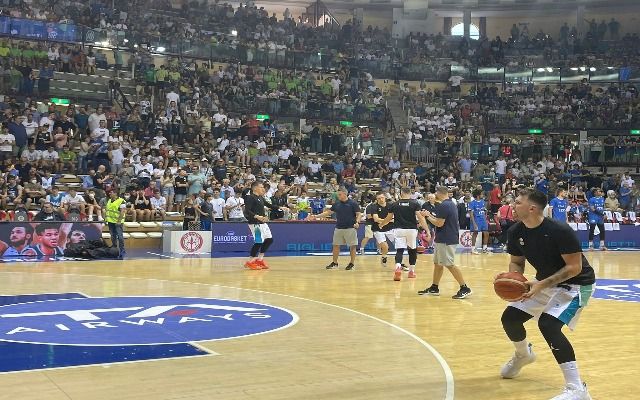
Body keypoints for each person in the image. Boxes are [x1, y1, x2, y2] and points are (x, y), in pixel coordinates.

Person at [500, 188, 595, 400]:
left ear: (532, 208)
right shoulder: (515, 231)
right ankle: (524, 355)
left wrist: (541, 284)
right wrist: (515, 280)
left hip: (577, 284)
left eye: (518, 202)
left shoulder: (559, 230)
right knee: (510, 318)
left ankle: (577, 389)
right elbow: (516, 262)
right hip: (545, 282)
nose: (513, 205)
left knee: (548, 325)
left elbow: (574, 268)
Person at [419, 186, 472, 299]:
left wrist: (427, 216)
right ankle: (434, 287)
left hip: (447, 239)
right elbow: (440, 220)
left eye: (435, 193)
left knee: (449, 264)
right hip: (443, 237)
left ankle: (464, 288)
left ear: (439, 193)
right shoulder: (450, 204)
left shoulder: (444, 205)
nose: (435, 195)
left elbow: (439, 223)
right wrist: (429, 215)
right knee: (438, 264)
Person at [309, 187, 361, 271]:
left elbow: (358, 214)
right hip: (339, 227)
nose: (338, 196)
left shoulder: (353, 203)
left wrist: (357, 222)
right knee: (336, 245)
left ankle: (352, 263)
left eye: (340, 194)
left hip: (350, 228)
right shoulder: (337, 204)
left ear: (345, 194)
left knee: (352, 246)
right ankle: (335, 263)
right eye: (338, 195)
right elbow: (328, 212)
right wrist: (315, 216)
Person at [387, 187, 430, 281]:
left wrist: (382, 224)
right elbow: (421, 218)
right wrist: (427, 230)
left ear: (401, 193)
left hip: (398, 229)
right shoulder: (415, 203)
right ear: (410, 193)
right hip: (411, 230)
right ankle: (411, 272)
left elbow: (389, 218)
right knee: (412, 250)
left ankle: (398, 267)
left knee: (399, 250)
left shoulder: (395, 204)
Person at [243, 181, 286, 270]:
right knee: (259, 242)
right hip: (255, 223)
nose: (263, 189)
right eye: (261, 187)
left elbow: (269, 205)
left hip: (263, 223)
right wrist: (257, 216)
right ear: (255, 188)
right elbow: (247, 210)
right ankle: (250, 262)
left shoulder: (260, 197)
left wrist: (280, 207)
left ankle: (260, 259)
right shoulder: (250, 197)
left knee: (269, 240)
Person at [371, 192, 396, 266]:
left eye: (382, 198)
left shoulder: (390, 206)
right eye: (379, 198)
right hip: (378, 229)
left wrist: (386, 221)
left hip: (390, 228)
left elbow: (395, 217)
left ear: (385, 198)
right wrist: (389, 220)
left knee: (398, 244)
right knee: (385, 246)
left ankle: (399, 261)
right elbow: (376, 219)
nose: (381, 199)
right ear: (376, 199)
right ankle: (384, 257)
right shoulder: (374, 207)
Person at [104, 190, 127, 259]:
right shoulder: (109, 200)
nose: (109, 193)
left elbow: (122, 211)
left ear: (115, 193)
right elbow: (108, 210)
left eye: (111, 192)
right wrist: (106, 219)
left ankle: (122, 250)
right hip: (110, 221)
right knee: (112, 236)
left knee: (120, 237)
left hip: (118, 222)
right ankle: (114, 248)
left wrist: (119, 221)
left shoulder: (122, 201)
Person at [469, 189, 490, 254]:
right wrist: (474, 223)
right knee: (475, 233)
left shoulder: (483, 202)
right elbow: (471, 214)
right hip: (476, 220)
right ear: (478, 195)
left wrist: (485, 218)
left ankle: (484, 248)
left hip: (483, 220)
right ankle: (473, 249)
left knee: (486, 233)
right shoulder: (472, 203)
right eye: (481, 194)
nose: (483, 195)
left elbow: (485, 211)